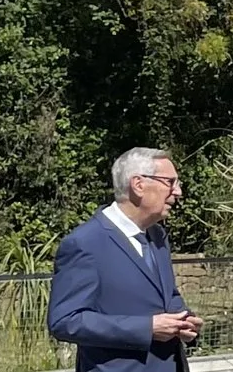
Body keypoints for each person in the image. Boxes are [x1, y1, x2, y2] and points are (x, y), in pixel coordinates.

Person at [48, 147, 204, 372]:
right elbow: (65, 321)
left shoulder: (157, 235)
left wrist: (185, 321)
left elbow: (168, 296)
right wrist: (145, 329)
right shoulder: (85, 243)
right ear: (138, 185)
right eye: (170, 182)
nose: (178, 192)